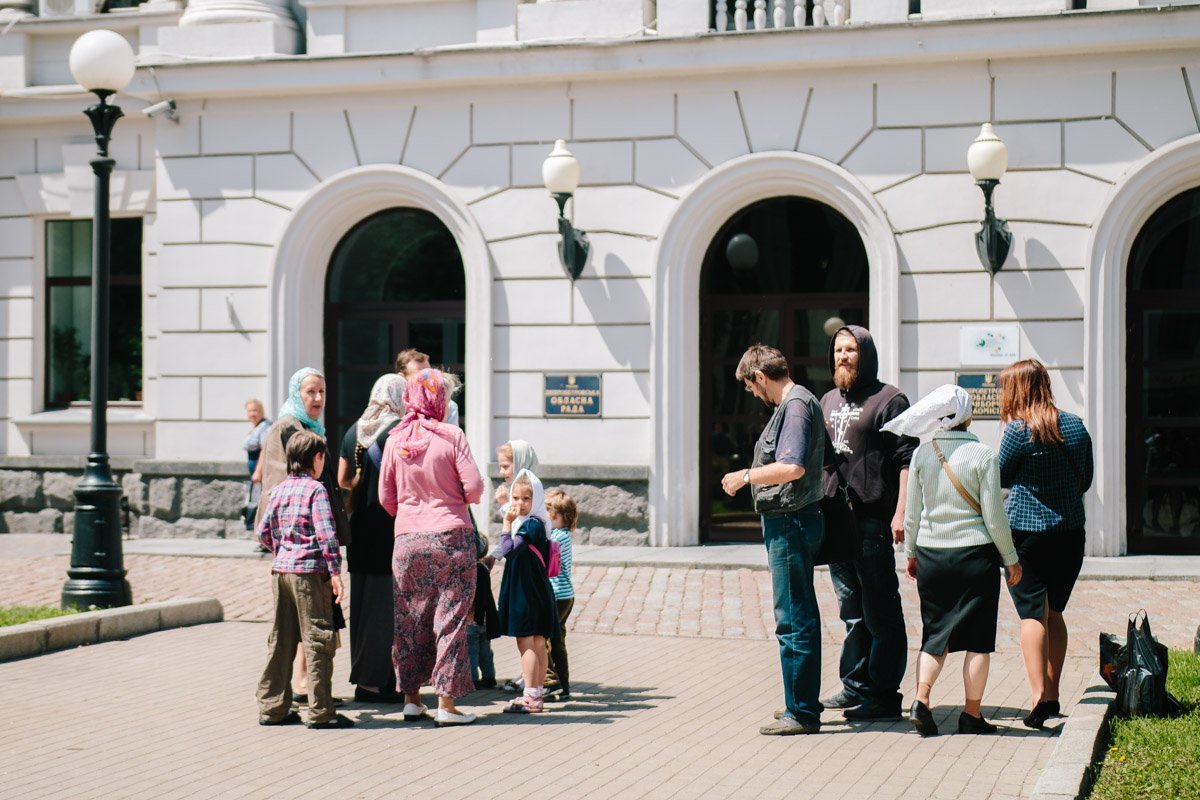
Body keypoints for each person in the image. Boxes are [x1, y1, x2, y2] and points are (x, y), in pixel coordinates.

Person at [883, 385, 1022, 737]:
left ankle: (921, 699)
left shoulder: (922, 455)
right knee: (977, 640)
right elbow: (994, 518)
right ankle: (971, 715)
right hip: (975, 556)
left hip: (932, 554)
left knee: (936, 634)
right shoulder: (983, 455)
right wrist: (1011, 559)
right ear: (968, 416)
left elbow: (912, 514)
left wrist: (911, 554)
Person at [720, 344, 827, 736]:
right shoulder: (800, 403)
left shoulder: (795, 405)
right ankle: (801, 703)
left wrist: (744, 476)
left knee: (793, 618)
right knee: (798, 614)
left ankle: (800, 711)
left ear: (760, 377)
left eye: (752, 388)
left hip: (790, 521)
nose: (754, 395)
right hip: (793, 520)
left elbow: (793, 466)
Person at [820, 325, 917, 720]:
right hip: (835, 519)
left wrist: (901, 513)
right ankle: (856, 685)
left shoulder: (890, 400)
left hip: (873, 521)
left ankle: (884, 694)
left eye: (851, 350)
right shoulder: (826, 400)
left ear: (866, 354)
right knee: (851, 609)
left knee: (881, 610)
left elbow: (907, 458)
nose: (843, 356)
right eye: (838, 350)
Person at [378, 368, 484, 727]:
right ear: (439, 398)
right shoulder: (452, 435)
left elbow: (385, 497)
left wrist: (409, 512)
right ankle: (446, 703)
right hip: (451, 536)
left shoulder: (395, 439)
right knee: (450, 619)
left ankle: (410, 700)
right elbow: (474, 488)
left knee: (409, 620)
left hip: (407, 539)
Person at [998, 359, 1093, 729]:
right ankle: (1053, 693)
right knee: (1054, 613)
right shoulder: (1076, 426)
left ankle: (1037, 698)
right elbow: (1084, 479)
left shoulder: (1018, 433)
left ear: (1018, 389)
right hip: (1070, 534)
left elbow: (1001, 477)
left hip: (1026, 536)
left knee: (1031, 614)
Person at [255, 367, 351, 704]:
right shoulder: (286, 427)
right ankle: (304, 692)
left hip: (305, 545)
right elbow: (277, 486)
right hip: (301, 545)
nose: (318, 399)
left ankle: (299, 685)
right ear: (298, 392)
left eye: (322, 392)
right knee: (307, 623)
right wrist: (289, 544)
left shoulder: (311, 428)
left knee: (312, 619)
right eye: (311, 392)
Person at [337, 374, 406, 704]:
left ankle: (363, 679)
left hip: (359, 529)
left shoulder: (355, 430)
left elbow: (342, 479)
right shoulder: (396, 430)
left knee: (362, 607)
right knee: (384, 608)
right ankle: (379, 683)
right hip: (387, 529)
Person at [494, 469, 560, 714]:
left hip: (526, 589)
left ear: (537, 500)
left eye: (526, 499)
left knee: (527, 641)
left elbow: (510, 549)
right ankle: (537, 692)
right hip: (535, 586)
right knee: (539, 641)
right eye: (516, 498)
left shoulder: (530, 524)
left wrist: (506, 523)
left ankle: (530, 696)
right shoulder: (539, 521)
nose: (519, 504)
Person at [544, 488, 577, 701]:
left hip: (557, 595)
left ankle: (552, 680)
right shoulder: (562, 535)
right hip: (565, 595)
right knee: (557, 641)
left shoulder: (557, 538)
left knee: (542, 639)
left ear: (555, 515)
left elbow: (551, 566)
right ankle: (563, 686)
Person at [466, 531, 500, 690]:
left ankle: (473, 679)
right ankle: (489, 676)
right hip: (485, 619)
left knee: (471, 652)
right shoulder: (483, 568)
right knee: (486, 651)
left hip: (471, 619)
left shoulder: (468, 570)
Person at [395, 348, 460, 427]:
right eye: (420, 375)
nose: (428, 379)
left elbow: (451, 437)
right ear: (401, 378)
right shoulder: (393, 407)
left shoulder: (448, 406)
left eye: (430, 372)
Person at [494, 439, 540, 513]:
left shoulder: (531, 489)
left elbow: (521, 521)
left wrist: (505, 504)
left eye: (505, 466)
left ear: (520, 463)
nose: (501, 471)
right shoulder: (518, 487)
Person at [243, 398, 271, 478]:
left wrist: (258, 472)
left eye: (255, 410)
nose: (252, 414)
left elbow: (265, 449)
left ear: (262, 412)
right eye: (249, 411)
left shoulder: (264, 427)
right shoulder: (257, 427)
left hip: (262, 474)